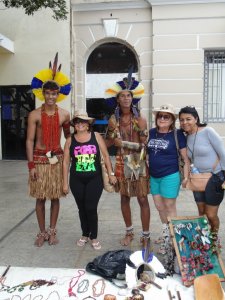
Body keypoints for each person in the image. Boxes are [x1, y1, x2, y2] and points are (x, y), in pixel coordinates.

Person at [26, 54, 71, 247]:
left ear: (59, 94)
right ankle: (41, 232)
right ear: (42, 93)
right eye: (48, 93)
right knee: (40, 198)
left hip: (57, 160)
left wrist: (67, 158)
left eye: (54, 93)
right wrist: (31, 166)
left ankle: (52, 231)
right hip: (39, 160)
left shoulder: (64, 114)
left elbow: (69, 137)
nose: (51, 97)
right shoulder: (34, 115)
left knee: (55, 197)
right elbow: (29, 140)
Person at [105, 76, 150, 246]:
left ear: (133, 98)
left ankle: (146, 236)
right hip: (121, 161)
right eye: (122, 95)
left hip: (137, 161)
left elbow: (143, 145)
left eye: (129, 95)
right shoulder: (113, 120)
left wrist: (122, 143)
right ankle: (129, 232)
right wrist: (107, 133)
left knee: (142, 199)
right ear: (117, 99)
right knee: (124, 198)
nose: (126, 98)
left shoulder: (140, 119)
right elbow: (109, 143)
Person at [63, 110, 116, 250]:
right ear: (74, 125)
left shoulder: (96, 136)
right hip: (76, 180)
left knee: (91, 208)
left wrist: (111, 173)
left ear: (88, 125)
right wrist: (64, 183)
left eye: (83, 121)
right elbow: (65, 163)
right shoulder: (70, 140)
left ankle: (94, 236)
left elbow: (105, 155)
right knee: (81, 208)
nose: (80, 124)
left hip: (95, 179)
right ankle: (85, 234)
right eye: (77, 121)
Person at [147, 104, 189, 255]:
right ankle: (166, 233)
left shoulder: (177, 135)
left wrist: (186, 177)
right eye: (160, 116)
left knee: (169, 207)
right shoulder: (151, 133)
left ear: (172, 120)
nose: (162, 119)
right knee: (159, 206)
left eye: (166, 116)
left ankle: (172, 239)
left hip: (170, 175)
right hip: (154, 176)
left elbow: (185, 158)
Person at [179, 106, 225, 235]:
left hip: (215, 177)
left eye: (188, 119)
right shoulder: (186, 136)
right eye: (181, 120)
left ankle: (214, 240)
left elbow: (223, 153)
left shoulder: (208, 131)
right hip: (198, 178)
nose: (185, 122)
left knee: (210, 214)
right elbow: (187, 160)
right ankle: (205, 240)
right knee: (201, 213)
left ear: (196, 119)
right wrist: (186, 176)